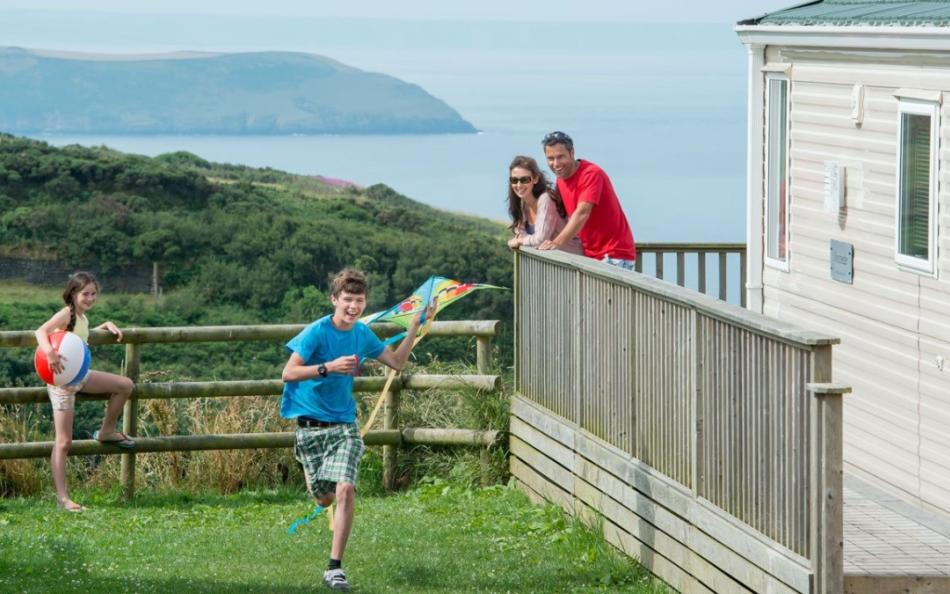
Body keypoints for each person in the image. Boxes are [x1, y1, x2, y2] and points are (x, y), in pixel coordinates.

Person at [281, 268, 432, 592]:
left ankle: (334, 568)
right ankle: (320, 493)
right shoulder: (317, 332)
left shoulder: (362, 334)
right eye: (347, 300)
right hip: (309, 428)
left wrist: (414, 329)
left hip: (344, 426)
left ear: (365, 303)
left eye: (359, 300)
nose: (353, 306)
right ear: (335, 300)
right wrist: (328, 368)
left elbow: (396, 363)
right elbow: (288, 373)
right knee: (324, 498)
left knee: (346, 489)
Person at [35, 271, 135, 513]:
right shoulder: (67, 312)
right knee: (64, 442)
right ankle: (63, 499)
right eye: (85, 294)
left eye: (93, 294)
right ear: (73, 293)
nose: (90, 298)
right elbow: (40, 332)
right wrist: (48, 352)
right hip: (61, 385)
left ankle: (106, 431)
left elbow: (79, 339)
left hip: (81, 377)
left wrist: (106, 325)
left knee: (125, 385)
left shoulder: (81, 317)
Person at [537, 131, 637, 270]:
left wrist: (556, 243)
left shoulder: (591, 174)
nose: (556, 163)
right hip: (591, 255)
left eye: (560, 157)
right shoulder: (561, 179)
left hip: (614, 254)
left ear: (572, 153)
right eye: (550, 158)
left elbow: (582, 212)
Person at [505, 155, 583, 255]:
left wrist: (520, 241)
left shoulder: (546, 200)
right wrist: (520, 240)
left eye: (524, 180)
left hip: (573, 263)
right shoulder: (523, 205)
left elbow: (540, 239)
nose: (519, 185)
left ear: (535, 178)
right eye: (514, 180)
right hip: (552, 263)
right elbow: (521, 235)